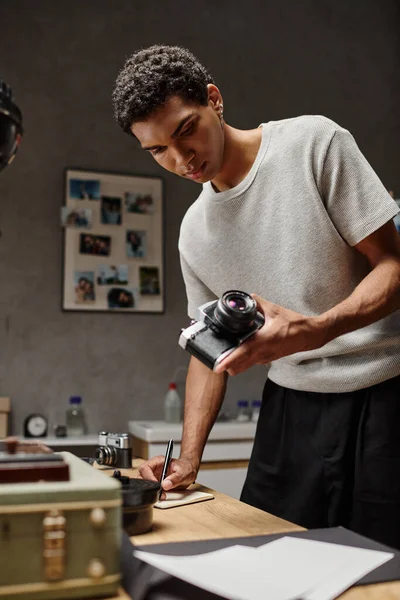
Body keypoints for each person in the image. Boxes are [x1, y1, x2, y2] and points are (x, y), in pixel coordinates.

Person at [112, 45, 400, 548]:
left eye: (185, 130)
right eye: (158, 151)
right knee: (270, 560)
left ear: (214, 100)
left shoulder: (315, 143)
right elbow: (208, 349)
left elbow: (394, 265)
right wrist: (188, 459)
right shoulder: (194, 233)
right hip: (290, 410)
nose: (181, 160)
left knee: (381, 568)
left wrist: (319, 328)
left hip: (384, 395)